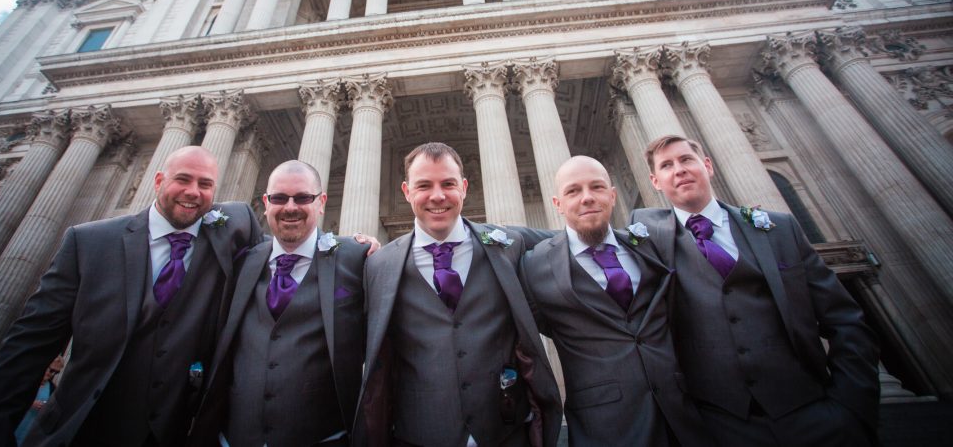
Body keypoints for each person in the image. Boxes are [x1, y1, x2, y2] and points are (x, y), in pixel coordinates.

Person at [0, 146, 264, 447]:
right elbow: (28, 347)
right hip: (82, 428)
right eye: (183, 179)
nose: (193, 192)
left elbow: (283, 265)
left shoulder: (234, 225)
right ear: (158, 180)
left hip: (171, 434)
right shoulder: (88, 242)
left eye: (205, 184)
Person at [634, 134, 879, 447]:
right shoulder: (647, 240)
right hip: (720, 426)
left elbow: (846, 321)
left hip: (814, 415)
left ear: (707, 166)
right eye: (667, 165)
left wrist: (851, 408)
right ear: (655, 181)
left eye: (686, 160)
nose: (678, 170)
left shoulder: (780, 230)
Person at [355, 142, 562, 447]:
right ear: (406, 191)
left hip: (506, 432)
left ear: (463, 188)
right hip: (418, 436)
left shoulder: (508, 246)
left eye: (448, 184)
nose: (437, 196)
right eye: (424, 185)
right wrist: (350, 245)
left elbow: (571, 241)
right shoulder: (378, 264)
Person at [520, 156, 712, 447]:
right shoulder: (535, 266)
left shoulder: (650, 246)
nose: (587, 198)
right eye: (573, 191)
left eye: (596, 187)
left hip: (686, 417)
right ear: (557, 204)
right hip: (605, 427)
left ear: (612, 195)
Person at [187, 160, 375, 446]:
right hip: (234, 436)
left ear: (321, 202)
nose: (290, 207)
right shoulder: (241, 261)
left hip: (323, 437)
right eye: (279, 198)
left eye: (302, 198)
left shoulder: (356, 257)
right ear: (266, 203)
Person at [14, 358, 63, 444]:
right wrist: (30, 403)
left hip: (29, 432)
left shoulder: (52, 389)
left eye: (56, 372)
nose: (52, 374)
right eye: (51, 370)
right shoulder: (27, 380)